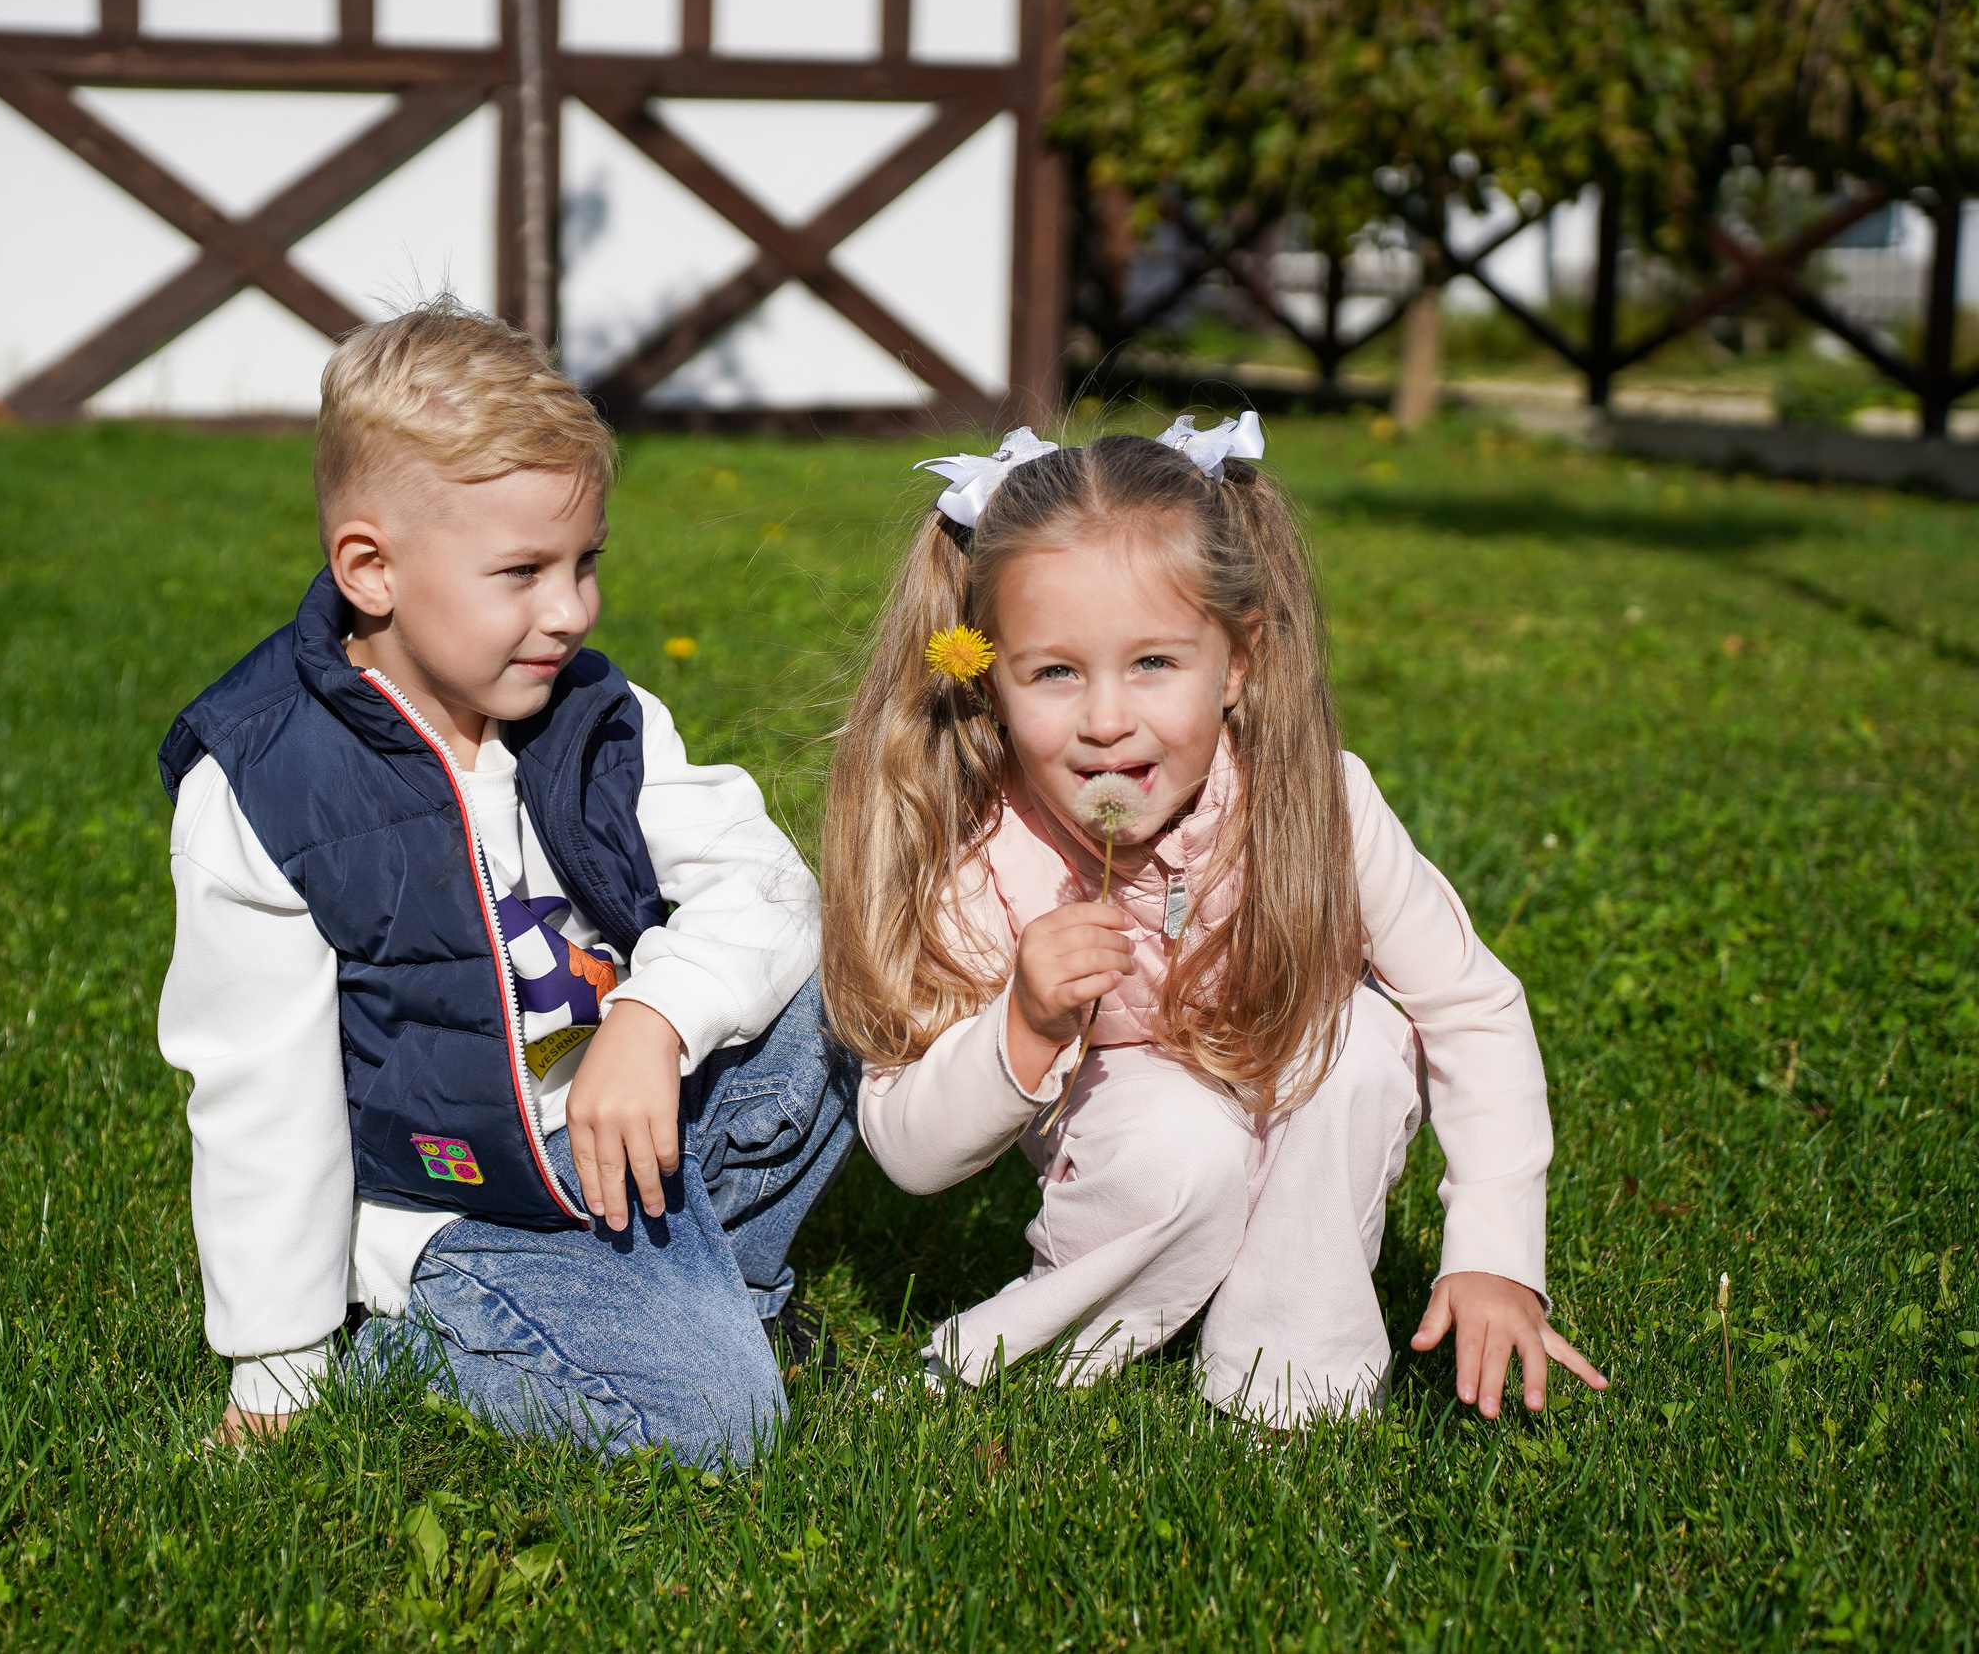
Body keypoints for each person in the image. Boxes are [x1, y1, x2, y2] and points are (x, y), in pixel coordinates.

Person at [155, 299, 854, 1466]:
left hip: (626, 1122)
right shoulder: (271, 789)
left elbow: (769, 888)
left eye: (586, 565)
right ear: (370, 570)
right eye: (522, 572)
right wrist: (278, 1368)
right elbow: (258, 1096)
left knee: (864, 978)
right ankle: (422, 1344)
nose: (571, 612)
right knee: (722, 1426)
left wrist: (653, 1013)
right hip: (464, 1199)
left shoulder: (592, 714)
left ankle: (693, 1293)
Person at [819, 417, 1606, 1424]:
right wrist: (1022, 1023)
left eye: (1153, 662)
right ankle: (1011, 1365)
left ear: (1236, 664)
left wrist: (1497, 1253)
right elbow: (911, 1153)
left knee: (1360, 1041)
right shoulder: (985, 854)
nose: (1107, 719)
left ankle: (1292, 1383)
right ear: (991, 681)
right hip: (1129, 1129)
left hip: (1288, 1069)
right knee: (1179, 1140)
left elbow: (1472, 1008)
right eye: (1054, 673)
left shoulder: (1313, 804)